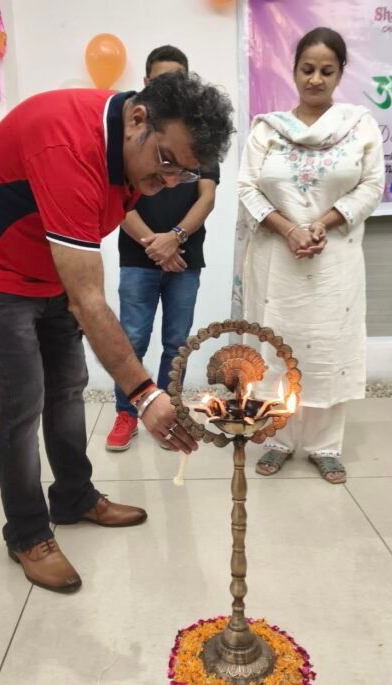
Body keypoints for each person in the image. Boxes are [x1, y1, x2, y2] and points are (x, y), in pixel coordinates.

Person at [0, 71, 234, 593]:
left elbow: (85, 273)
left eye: (185, 174)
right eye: (167, 162)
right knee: (23, 395)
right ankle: (27, 533)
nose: (170, 182)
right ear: (138, 119)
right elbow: (89, 297)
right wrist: (145, 395)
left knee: (69, 384)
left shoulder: (133, 149)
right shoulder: (68, 144)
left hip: (47, 268)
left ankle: (73, 497)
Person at [238, 27, 384, 484]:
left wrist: (322, 224)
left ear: (340, 73)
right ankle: (277, 437)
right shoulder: (268, 129)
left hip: (333, 259)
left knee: (327, 345)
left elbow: (371, 185)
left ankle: (324, 445)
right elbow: (247, 187)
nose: (315, 79)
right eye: (307, 69)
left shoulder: (359, 126)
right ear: (294, 70)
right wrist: (290, 229)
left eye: (326, 70)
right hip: (276, 259)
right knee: (276, 345)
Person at [106, 46, 220, 452]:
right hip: (137, 255)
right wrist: (154, 244)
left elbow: (206, 197)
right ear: (145, 84)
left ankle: (170, 412)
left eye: (178, 80)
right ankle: (127, 413)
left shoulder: (200, 135)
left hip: (185, 256)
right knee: (132, 339)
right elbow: (117, 199)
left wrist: (175, 238)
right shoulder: (129, 131)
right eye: (161, 81)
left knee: (177, 343)